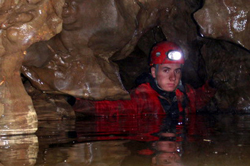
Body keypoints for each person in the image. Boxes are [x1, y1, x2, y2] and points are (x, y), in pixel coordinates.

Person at [72, 41, 216, 117]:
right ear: (154, 72)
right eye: (166, 70)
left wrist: (212, 86)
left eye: (177, 71)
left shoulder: (184, 93)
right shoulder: (142, 98)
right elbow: (110, 108)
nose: (173, 77)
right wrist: (75, 103)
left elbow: (198, 99)